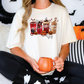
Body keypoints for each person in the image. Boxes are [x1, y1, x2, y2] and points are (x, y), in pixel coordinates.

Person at [0, 0, 84, 84]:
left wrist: (61, 59)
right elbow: (13, 47)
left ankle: (37, 81)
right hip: (29, 67)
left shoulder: (61, 11)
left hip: (55, 68)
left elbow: (65, 46)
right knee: (1, 57)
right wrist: (30, 60)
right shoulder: (22, 13)